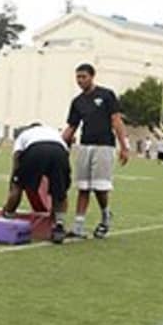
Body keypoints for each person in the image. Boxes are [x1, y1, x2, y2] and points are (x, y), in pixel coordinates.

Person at [62, 64, 129, 239]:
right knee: (83, 187)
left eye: (83, 77)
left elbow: (116, 120)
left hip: (104, 146)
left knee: (100, 187)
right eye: (78, 77)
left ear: (92, 76)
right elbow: (72, 126)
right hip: (85, 146)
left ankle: (106, 216)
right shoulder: (77, 102)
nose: (80, 80)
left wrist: (124, 145)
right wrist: (60, 144)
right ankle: (78, 226)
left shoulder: (106, 95)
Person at [2, 123, 72, 244]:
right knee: (60, 191)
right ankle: (59, 225)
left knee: (18, 185)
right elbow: (66, 152)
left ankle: (9, 213)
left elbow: (17, 158)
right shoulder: (52, 131)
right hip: (59, 152)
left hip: (36, 150)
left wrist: (15, 180)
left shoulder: (24, 135)